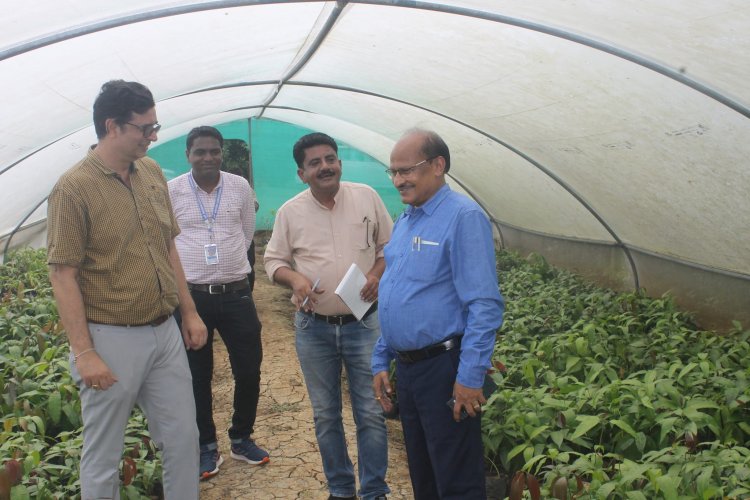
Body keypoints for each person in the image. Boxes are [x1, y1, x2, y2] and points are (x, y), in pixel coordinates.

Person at [46, 80, 207, 499]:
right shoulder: (73, 188)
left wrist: (188, 312)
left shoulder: (151, 173)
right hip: (110, 337)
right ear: (112, 125)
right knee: (103, 455)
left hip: (164, 331)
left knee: (183, 440)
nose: (153, 136)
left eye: (155, 126)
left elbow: (168, 244)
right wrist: (84, 353)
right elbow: (62, 274)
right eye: (145, 128)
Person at [371, 128, 505, 500]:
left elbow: (484, 304)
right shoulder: (407, 219)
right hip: (410, 370)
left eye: (407, 170)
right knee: (423, 472)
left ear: (438, 166)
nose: (398, 180)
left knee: (456, 477)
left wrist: (470, 376)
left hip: (444, 369)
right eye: (393, 172)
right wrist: (382, 357)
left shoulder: (463, 217)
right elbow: (398, 293)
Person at [264, 132, 392, 500]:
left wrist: (375, 275)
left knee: (370, 411)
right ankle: (340, 489)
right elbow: (273, 261)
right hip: (314, 328)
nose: (326, 166)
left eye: (330, 159)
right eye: (315, 162)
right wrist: (295, 279)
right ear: (301, 173)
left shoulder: (366, 197)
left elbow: (389, 247)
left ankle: (374, 491)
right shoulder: (291, 211)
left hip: (364, 323)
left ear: (339, 162)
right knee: (326, 415)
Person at [168, 126, 268, 481]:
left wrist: (226, 266)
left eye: (214, 151)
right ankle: (206, 446)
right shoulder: (173, 190)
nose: (208, 157)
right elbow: (168, 241)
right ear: (188, 154)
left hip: (237, 293)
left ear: (221, 153)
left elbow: (245, 233)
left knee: (249, 368)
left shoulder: (239, 186)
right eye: (200, 152)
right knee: (197, 375)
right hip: (192, 298)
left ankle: (242, 437)